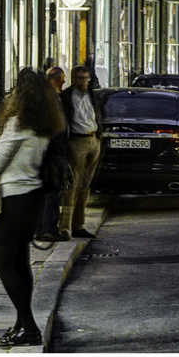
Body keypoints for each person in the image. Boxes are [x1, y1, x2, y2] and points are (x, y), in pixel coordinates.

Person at [0, 67, 64, 348]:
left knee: (1, 263)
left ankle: (29, 327)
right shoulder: (43, 124)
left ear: (21, 93)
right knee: (19, 262)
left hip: (12, 199)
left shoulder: (17, 124)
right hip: (31, 199)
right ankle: (20, 325)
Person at [58, 66, 104, 239]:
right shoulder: (66, 97)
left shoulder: (93, 95)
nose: (83, 81)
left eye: (86, 78)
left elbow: (98, 115)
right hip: (76, 142)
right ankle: (64, 227)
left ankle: (79, 226)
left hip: (93, 140)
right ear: (73, 79)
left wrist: (99, 136)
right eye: (80, 77)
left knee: (85, 186)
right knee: (73, 185)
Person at [35, 67, 69, 242]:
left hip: (51, 150)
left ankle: (42, 228)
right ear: (54, 80)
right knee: (52, 190)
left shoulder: (50, 97)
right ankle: (47, 229)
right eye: (62, 79)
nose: (64, 82)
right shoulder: (48, 99)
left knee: (47, 191)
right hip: (51, 151)